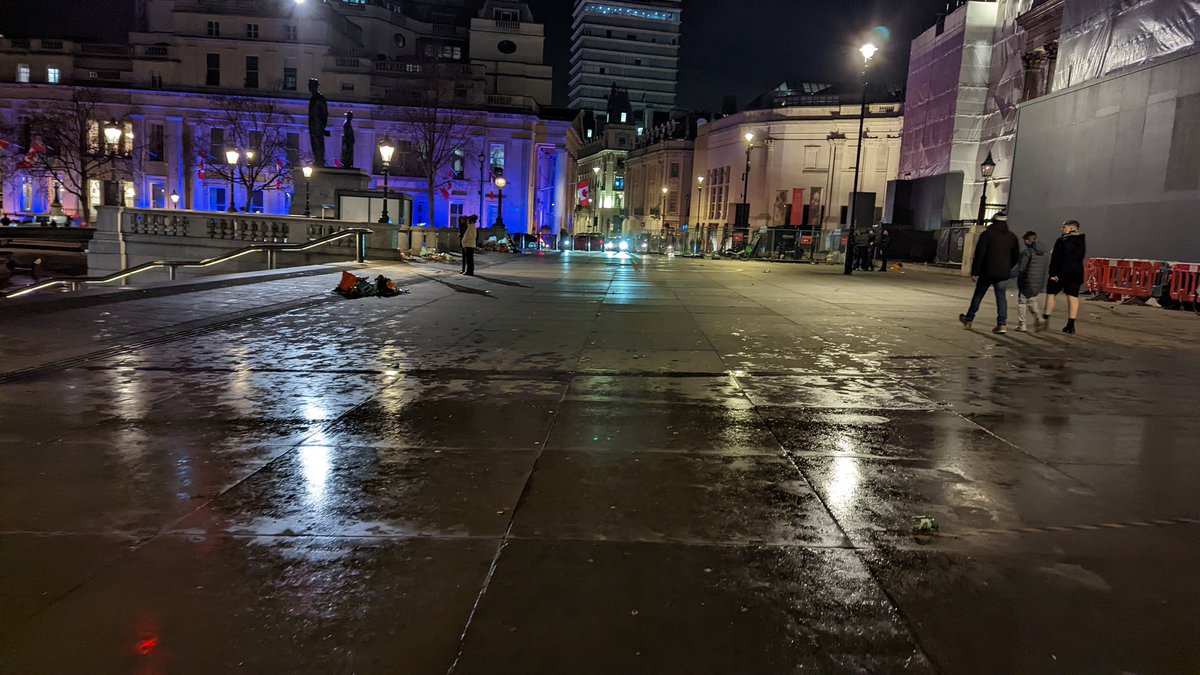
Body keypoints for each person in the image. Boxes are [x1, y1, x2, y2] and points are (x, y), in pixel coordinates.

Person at [959, 212, 1021, 334]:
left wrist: (975, 272)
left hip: (987, 271)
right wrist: (1007, 267)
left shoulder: (987, 235)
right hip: (1003, 273)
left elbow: (980, 254)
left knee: (978, 295)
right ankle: (1002, 324)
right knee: (1001, 298)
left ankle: (969, 319)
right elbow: (1016, 256)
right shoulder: (1012, 237)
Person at [1040, 219, 1086, 334]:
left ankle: (1045, 319)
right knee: (1073, 297)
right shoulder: (1081, 241)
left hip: (1060, 272)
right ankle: (1071, 325)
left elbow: (1056, 258)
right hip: (1075, 273)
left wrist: (1053, 273)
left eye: (1064, 227)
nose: (1062, 229)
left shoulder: (1061, 241)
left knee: (1051, 295)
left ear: (1071, 228)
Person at [1014, 230, 1050, 331]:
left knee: (1022, 302)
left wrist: (1009, 274)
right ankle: (1039, 319)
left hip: (1026, 281)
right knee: (1032, 300)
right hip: (1037, 282)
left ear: (1027, 240)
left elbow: (1021, 268)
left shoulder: (1027, 252)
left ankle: (1022, 324)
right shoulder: (1043, 253)